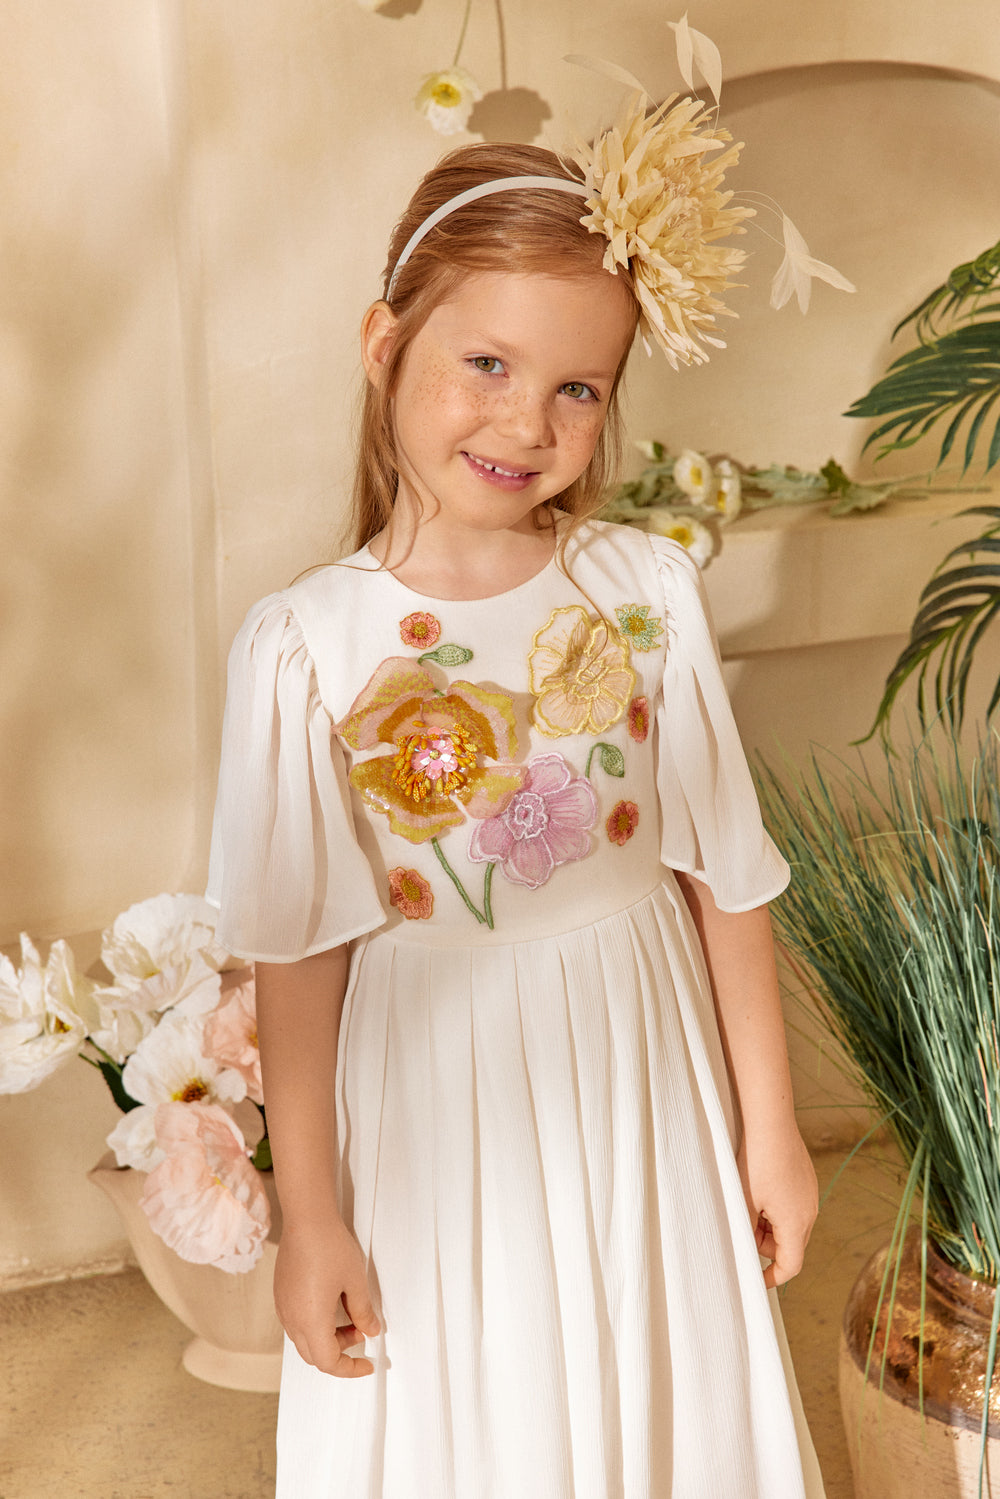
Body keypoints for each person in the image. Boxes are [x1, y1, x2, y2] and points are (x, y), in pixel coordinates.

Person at [207, 91, 827, 1499]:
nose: (526, 419)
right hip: (440, 1085)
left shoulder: (645, 593)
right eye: (485, 361)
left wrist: (770, 1127)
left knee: (654, 1366)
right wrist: (314, 1218)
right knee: (476, 1401)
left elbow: (725, 879)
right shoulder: (308, 645)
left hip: (639, 1056)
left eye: (578, 386)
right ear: (385, 346)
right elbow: (295, 954)